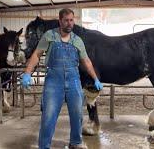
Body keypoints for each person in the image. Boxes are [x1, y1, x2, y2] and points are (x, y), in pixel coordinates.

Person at [22, 8, 103, 149]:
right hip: (54, 80)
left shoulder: (77, 40)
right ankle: (44, 145)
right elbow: (36, 54)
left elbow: (86, 61)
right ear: (60, 21)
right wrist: (28, 73)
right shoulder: (49, 35)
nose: (69, 23)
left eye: (71, 20)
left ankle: (75, 143)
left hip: (74, 80)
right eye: (66, 20)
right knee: (48, 115)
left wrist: (96, 79)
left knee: (77, 114)